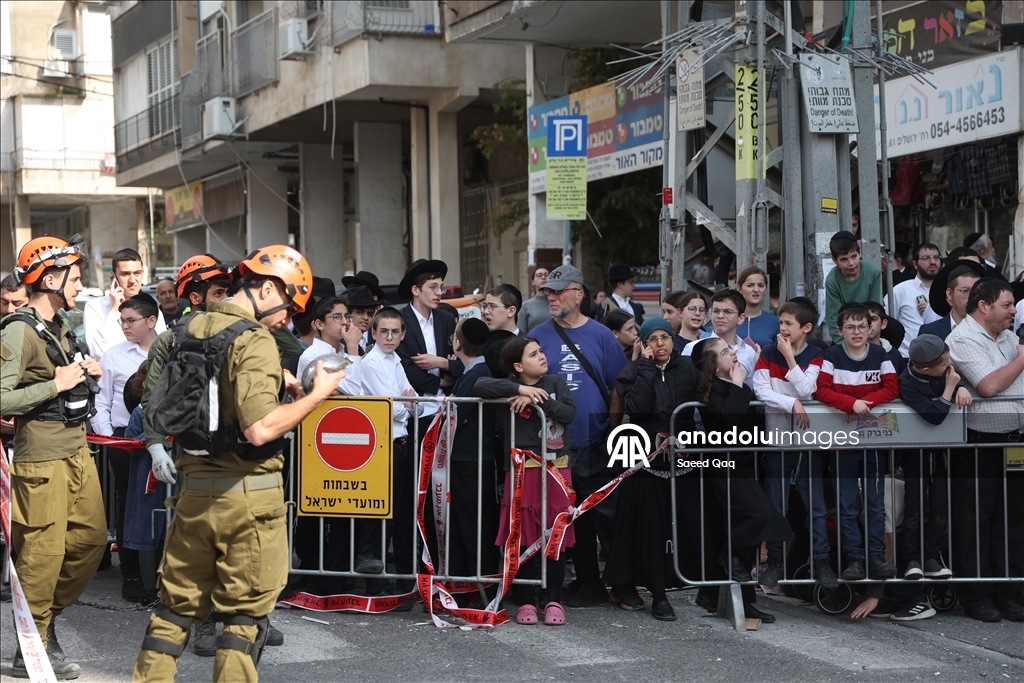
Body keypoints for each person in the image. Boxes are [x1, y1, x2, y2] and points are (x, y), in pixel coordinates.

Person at [132, 245, 339, 682]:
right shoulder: (255, 339)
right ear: (266, 289)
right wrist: (318, 396)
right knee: (243, 621)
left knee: (172, 613)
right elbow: (260, 429)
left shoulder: (187, 328)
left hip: (192, 494)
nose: (288, 320)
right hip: (248, 499)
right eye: (289, 307)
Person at [1, 234, 106, 679]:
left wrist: (85, 373)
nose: (80, 286)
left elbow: (66, 376)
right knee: (41, 557)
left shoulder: (59, 326)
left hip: (77, 451)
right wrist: (56, 385)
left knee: (90, 544)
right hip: (41, 459)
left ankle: (42, 623)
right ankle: (33, 643)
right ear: (49, 279)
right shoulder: (18, 330)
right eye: (75, 278)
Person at [529, 264, 627, 608]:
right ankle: (588, 581)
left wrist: (611, 430)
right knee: (571, 517)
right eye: (548, 292)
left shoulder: (602, 335)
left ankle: (622, 583)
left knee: (607, 515)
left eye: (558, 291)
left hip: (596, 440)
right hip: (553, 445)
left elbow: (617, 387)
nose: (552, 297)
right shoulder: (537, 335)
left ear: (578, 294)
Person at [476, 336, 577, 626]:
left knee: (556, 535)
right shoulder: (510, 389)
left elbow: (569, 413)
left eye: (541, 351)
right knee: (521, 535)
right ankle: (525, 600)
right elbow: (480, 386)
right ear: (518, 366)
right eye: (533, 354)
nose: (541, 356)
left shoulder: (556, 382)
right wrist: (520, 389)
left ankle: (554, 598)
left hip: (557, 470)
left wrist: (537, 398)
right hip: (522, 471)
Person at [605, 318, 701, 621]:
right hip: (645, 463)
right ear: (644, 344)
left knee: (686, 524)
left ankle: (701, 586)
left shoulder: (689, 367)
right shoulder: (630, 371)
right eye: (653, 339)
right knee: (650, 530)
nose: (660, 344)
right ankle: (658, 595)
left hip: (682, 460)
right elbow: (639, 409)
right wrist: (645, 368)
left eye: (665, 337)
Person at [691, 337, 793, 623]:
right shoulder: (711, 389)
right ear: (713, 365)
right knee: (760, 516)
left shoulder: (739, 385)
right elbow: (730, 419)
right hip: (724, 466)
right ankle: (730, 557)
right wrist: (737, 383)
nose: (733, 353)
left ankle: (741, 599)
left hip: (745, 464)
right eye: (725, 351)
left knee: (748, 524)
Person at [945, 278, 1024, 623]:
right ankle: (977, 596)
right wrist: (1023, 359)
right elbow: (989, 386)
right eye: (1007, 305)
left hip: (1015, 441)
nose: (1014, 311)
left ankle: (1009, 593)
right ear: (983, 306)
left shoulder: (1008, 337)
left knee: (1012, 520)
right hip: (979, 443)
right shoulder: (962, 338)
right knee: (976, 521)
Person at [752, 299, 836, 588]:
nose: (782, 328)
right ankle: (775, 561)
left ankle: (821, 562)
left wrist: (789, 358)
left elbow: (808, 389)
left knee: (816, 506)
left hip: (808, 441)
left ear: (806, 327)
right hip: (777, 440)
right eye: (781, 322)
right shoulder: (767, 352)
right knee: (777, 504)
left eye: (788, 323)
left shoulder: (816, 354)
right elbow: (760, 390)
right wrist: (792, 403)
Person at [813, 304, 899, 581]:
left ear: (870, 327)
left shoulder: (880, 354)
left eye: (862, 326)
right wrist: (850, 403)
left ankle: (876, 556)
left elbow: (892, 387)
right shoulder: (832, 355)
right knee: (847, 505)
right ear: (840, 331)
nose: (857, 331)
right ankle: (855, 559)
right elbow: (820, 389)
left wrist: (863, 404)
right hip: (842, 442)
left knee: (875, 504)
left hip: (873, 441)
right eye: (850, 327)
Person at [93, 293, 160, 604]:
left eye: (131, 320)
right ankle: (131, 574)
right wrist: (111, 439)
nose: (125, 326)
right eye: (122, 320)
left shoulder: (170, 351)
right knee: (128, 505)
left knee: (161, 505)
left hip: (164, 437)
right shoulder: (113, 356)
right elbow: (101, 402)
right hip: (125, 440)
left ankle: (161, 573)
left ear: (151, 320)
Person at [360, 307, 428, 608]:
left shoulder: (396, 360)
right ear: (373, 333)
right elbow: (393, 407)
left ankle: (403, 580)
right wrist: (406, 404)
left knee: (401, 514)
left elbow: (410, 401)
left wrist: (406, 404)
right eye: (383, 331)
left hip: (401, 441)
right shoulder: (371, 363)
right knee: (383, 515)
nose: (389, 337)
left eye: (395, 332)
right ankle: (377, 584)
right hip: (384, 444)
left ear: (402, 335)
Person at [898, 335, 967, 580]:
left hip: (941, 453)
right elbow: (934, 416)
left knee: (940, 506)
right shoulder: (907, 382)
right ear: (926, 369)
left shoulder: (945, 371)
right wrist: (949, 389)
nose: (950, 366)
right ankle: (912, 558)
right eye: (944, 364)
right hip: (915, 453)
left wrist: (961, 387)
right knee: (914, 506)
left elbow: (957, 380)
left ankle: (931, 556)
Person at [443, 318, 500, 592]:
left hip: (471, 461)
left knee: (473, 525)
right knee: (467, 523)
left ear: (457, 344)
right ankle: (467, 585)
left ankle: (480, 588)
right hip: (470, 459)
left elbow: (455, 414)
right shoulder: (473, 372)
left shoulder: (476, 375)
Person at [122, 360, 163, 607]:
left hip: (171, 480)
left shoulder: (177, 410)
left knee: (169, 532)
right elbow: (130, 444)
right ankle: (149, 589)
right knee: (147, 533)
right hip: (147, 481)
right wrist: (150, 436)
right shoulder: (140, 411)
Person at [396, 259, 462, 399]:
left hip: (447, 399)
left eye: (441, 287)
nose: (439, 293)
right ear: (415, 290)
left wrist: (443, 363)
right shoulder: (399, 320)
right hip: (413, 400)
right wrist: (439, 382)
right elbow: (404, 367)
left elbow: (460, 361)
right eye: (433, 287)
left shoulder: (447, 319)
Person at [84, 248, 165, 359]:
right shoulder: (95, 307)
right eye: (125, 274)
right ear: (113, 276)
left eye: (137, 273)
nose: (132, 280)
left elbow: (162, 350)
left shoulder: (153, 310)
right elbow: (98, 352)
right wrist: (114, 310)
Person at [682, 289, 757, 384]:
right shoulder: (693, 348)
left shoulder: (749, 352)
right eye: (716, 311)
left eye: (727, 311)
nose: (720, 316)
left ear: (741, 318)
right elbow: (684, 385)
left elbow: (749, 389)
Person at [825, 230, 882, 344]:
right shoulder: (832, 280)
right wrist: (845, 346)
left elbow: (874, 308)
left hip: (869, 326)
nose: (851, 263)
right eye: (844, 259)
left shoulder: (873, 271)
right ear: (835, 260)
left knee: (896, 329)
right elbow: (833, 317)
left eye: (854, 256)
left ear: (860, 253)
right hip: (847, 331)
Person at [890, 243, 941, 357]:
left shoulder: (947, 291)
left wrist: (932, 310)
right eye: (926, 258)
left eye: (936, 257)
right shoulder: (901, 290)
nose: (933, 262)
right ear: (915, 264)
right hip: (906, 357)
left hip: (938, 358)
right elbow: (888, 323)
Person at [920, 259, 986, 341]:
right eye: (965, 290)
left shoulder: (991, 329)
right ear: (950, 295)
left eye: (977, 290)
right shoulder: (930, 332)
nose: (973, 296)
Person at [481, 283, 522, 377]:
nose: (486, 311)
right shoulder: (480, 344)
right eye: (485, 306)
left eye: (492, 306)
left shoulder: (526, 345)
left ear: (511, 311)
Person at [735, 267, 779, 348]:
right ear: (739, 289)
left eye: (761, 285)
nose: (756, 289)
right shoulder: (729, 320)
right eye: (750, 285)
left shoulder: (775, 322)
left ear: (766, 289)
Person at [863, 301, 907, 376]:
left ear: (883, 324)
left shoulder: (894, 355)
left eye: (873, 319)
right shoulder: (847, 353)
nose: (869, 324)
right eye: (864, 319)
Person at [344, 284, 382, 355]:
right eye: (359, 312)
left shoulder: (374, 341)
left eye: (370, 314)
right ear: (348, 315)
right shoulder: (340, 343)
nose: (366, 317)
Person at [521, 267, 552, 334]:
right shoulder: (526, 305)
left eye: (546, 275)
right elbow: (521, 332)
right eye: (539, 275)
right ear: (533, 282)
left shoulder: (556, 302)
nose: (543, 277)